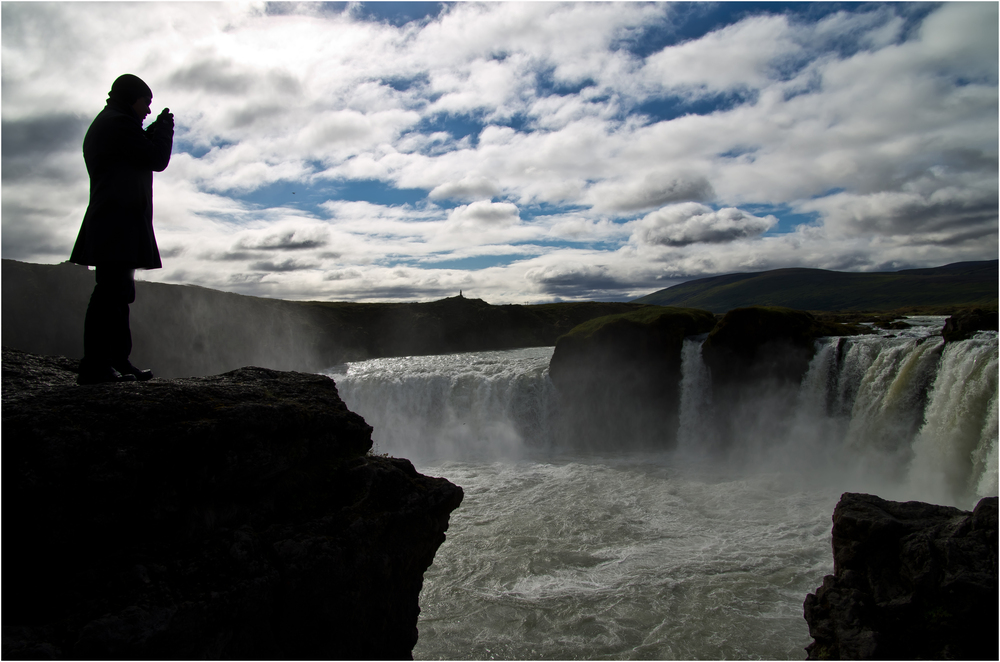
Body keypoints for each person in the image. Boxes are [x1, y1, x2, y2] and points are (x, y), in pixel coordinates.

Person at [70, 74, 174, 384]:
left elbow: (137, 153)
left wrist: (150, 133)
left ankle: (115, 361)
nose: (146, 111)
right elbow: (156, 159)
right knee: (109, 294)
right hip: (117, 222)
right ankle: (96, 366)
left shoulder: (113, 122)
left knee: (119, 292)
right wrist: (164, 131)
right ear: (132, 98)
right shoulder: (117, 123)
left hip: (117, 220)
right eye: (146, 103)